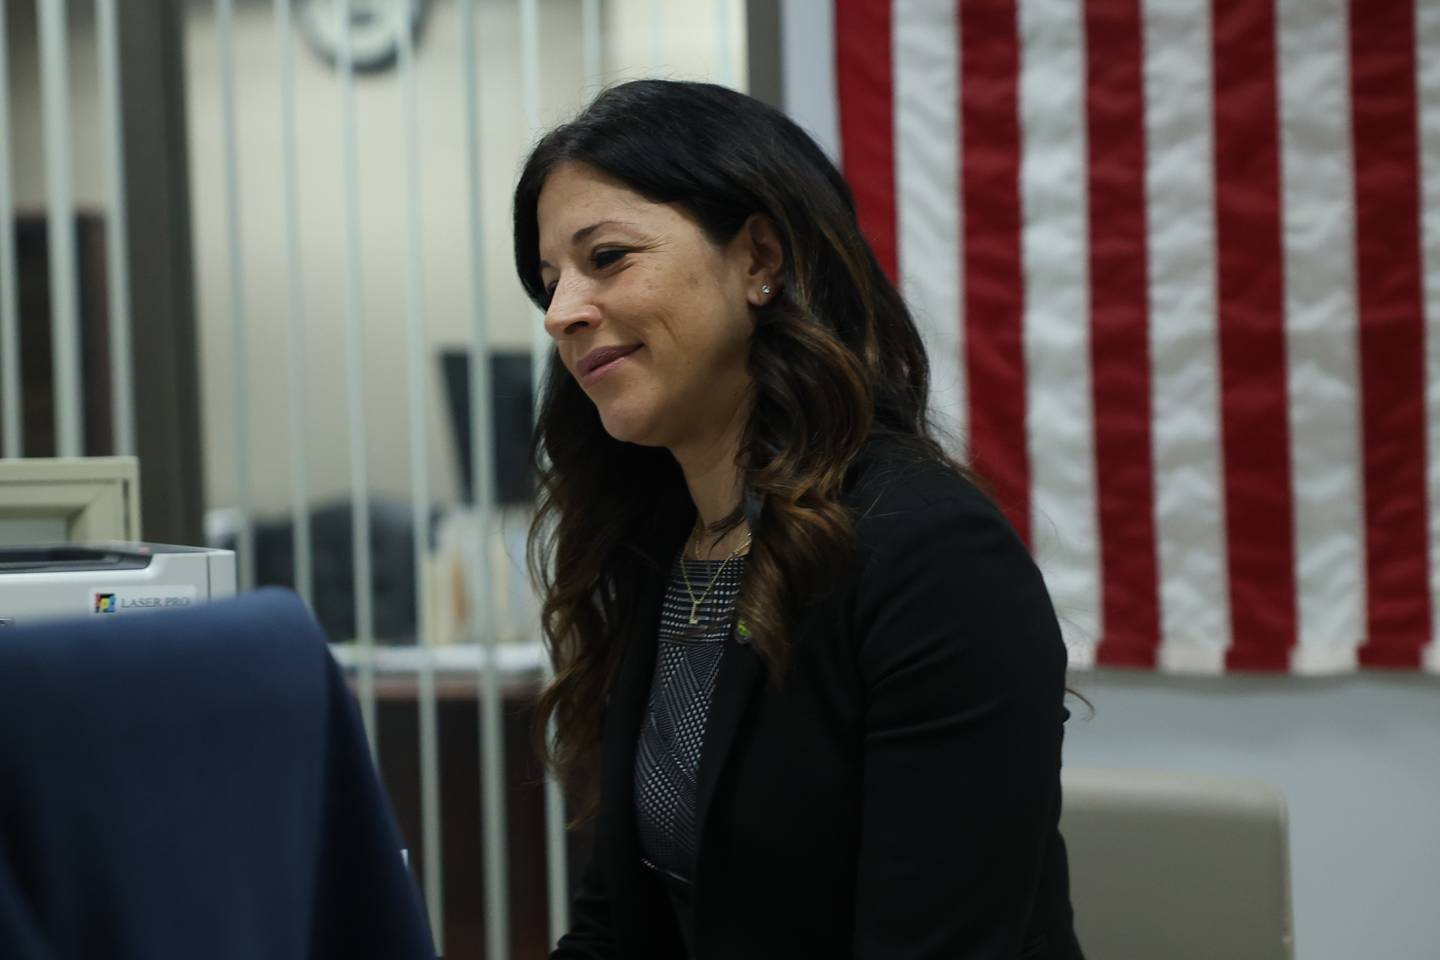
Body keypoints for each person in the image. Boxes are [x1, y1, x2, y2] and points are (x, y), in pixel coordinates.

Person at [514, 79, 1085, 960]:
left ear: (760, 260)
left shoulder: (933, 556)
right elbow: (619, 933)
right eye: (551, 283)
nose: (561, 314)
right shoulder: (660, 549)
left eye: (608, 258)